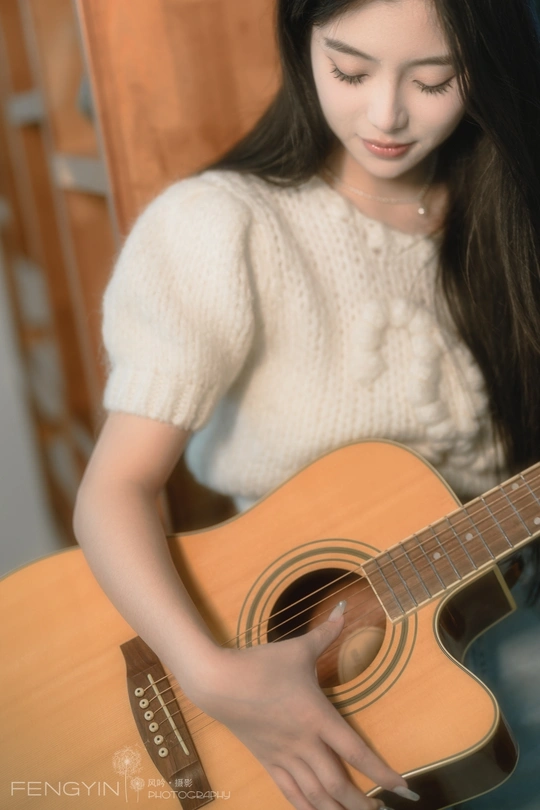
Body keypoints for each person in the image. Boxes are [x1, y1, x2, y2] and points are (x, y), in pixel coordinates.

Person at [73, 0, 540, 808]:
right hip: (278, 682)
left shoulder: (511, 214)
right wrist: (210, 675)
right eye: (349, 71)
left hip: (507, 641)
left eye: (434, 81)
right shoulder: (220, 227)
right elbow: (113, 490)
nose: (386, 115)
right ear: (303, 46)